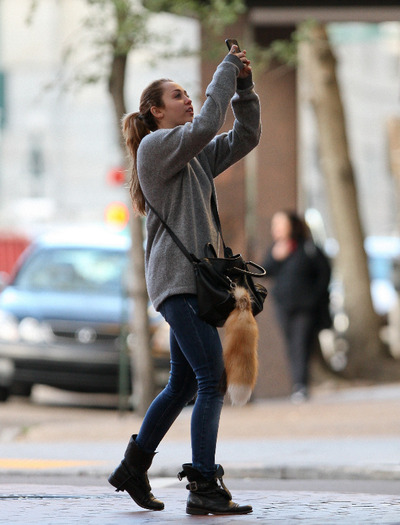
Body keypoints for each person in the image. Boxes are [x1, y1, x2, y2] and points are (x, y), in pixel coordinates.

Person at [108, 44, 261, 516]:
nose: (188, 99)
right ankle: (203, 486)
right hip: (177, 283)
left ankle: (134, 467)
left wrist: (245, 89)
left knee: (183, 385)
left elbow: (245, 137)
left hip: (190, 285)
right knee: (211, 379)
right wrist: (225, 69)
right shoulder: (156, 147)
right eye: (178, 95)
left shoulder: (191, 155)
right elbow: (206, 127)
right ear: (155, 112)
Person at [263, 210, 331, 403]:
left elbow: (324, 273)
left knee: (301, 343)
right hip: (284, 305)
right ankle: (297, 384)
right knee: (291, 343)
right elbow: (264, 271)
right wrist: (276, 257)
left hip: (305, 307)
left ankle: (300, 385)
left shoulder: (308, 248)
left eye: (280, 224)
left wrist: (314, 297)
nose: (276, 229)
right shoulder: (275, 249)